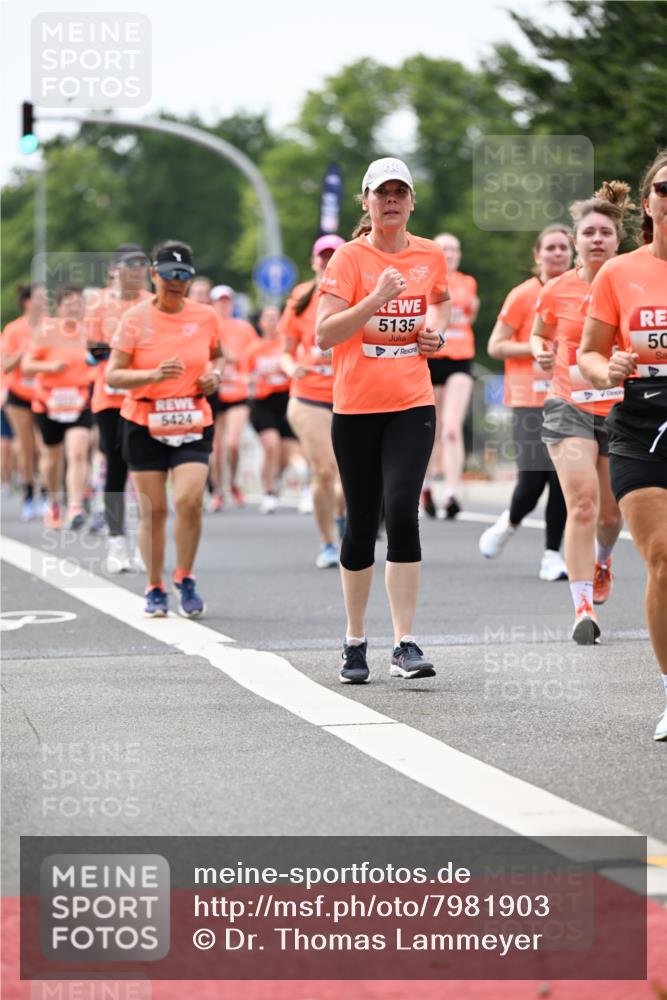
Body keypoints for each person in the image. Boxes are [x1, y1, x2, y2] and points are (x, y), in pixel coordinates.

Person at [316, 156, 450, 684]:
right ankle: (354, 641)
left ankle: (404, 642)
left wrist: (433, 335)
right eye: (382, 193)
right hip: (355, 408)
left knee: (402, 509)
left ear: (411, 201)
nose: (392, 200)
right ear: (366, 202)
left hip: (412, 403)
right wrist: (377, 298)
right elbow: (325, 335)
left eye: (401, 192)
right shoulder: (350, 258)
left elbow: (437, 308)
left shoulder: (430, 254)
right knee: (362, 521)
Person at [578, 149, 667, 741]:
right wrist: (606, 370)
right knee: (663, 556)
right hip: (640, 426)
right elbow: (587, 354)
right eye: (664, 189)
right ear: (648, 202)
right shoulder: (620, 272)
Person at [530, 183, 631, 644]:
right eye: (587, 232)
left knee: (611, 514)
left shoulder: (634, 282)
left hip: (623, 410)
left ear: (618, 239)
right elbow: (539, 332)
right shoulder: (556, 289)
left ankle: (604, 560)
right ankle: (582, 606)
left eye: (604, 232)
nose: (596, 239)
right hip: (568, 404)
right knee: (583, 502)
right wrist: (540, 353)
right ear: (575, 241)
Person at [106, 240, 223, 617]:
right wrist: (152, 375)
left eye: (184, 275)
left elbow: (217, 357)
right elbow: (114, 375)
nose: (176, 281)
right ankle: (154, 585)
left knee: (189, 500)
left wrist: (214, 377)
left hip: (192, 416)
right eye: (169, 274)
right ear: (154, 275)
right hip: (144, 420)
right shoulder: (135, 319)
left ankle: (184, 576)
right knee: (153, 511)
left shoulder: (204, 316)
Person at [479, 226, 572, 581]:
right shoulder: (523, 295)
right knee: (533, 481)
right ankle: (509, 522)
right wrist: (536, 349)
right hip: (529, 397)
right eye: (550, 248)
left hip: (568, 396)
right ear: (537, 255)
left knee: (563, 480)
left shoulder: (581, 293)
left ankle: (552, 555)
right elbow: (495, 346)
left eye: (564, 247)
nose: (557, 253)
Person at [280, 234, 346, 568]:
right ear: (313, 261)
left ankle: (344, 519)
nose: (327, 261)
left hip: (350, 395)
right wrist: (294, 369)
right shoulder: (301, 299)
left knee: (350, 476)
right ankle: (327, 543)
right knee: (324, 469)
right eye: (323, 256)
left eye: (334, 255)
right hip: (309, 397)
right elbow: (285, 353)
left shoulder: (357, 292)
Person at [86, 244, 152, 572]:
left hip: (142, 394)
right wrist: (120, 349)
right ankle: (116, 543)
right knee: (116, 466)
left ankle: (144, 544)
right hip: (109, 397)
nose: (138, 270)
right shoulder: (98, 303)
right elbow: (90, 350)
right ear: (115, 269)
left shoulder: (149, 302)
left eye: (142, 264)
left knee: (144, 467)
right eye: (131, 264)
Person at [23, 286, 94, 530]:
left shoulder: (90, 333)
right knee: (51, 458)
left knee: (77, 450)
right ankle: (53, 501)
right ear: (59, 308)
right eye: (69, 304)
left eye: (78, 304)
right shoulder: (45, 332)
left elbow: (102, 361)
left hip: (80, 400)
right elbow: (27, 365)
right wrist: (51, 367)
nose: (75, 309)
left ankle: (74, 506)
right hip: (48, 402)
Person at [422, 233, 479, 519]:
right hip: (431, 360)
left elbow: (471, 314)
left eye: (455, 249)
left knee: (452, 427)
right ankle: (427, 485)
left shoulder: (468, 283)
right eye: (445, 249)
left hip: (460, 359)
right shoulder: (424, 280)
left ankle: (452, 493)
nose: (451, 254)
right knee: (430, 429)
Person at [208, 285, 258, 511]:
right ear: (213, 304)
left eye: (227, 301)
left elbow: (257, 353)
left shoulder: (244, 328)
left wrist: (250, 374)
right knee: (215, 447)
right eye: (219, 301)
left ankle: (234, 482)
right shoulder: (206, 327)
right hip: (214, 390)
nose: (224, 305)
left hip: (237, 390)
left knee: (233, 444)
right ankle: (218, 490)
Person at [243, 304, 296, 514]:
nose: (273, 321)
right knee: (271, 445)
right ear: (261, 323)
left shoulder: (287, 344)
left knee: (285, 453)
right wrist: (254, 381)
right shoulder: (253, 349)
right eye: (268, 317)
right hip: (263, 402)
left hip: (286, 399)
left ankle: (276, 477)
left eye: (276, 317)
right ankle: (269, 492)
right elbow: (246, 377)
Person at [1, 284, 46, 519]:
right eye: (40, 297)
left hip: (46, 393)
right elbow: (6, 365)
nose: (45, 301)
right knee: (26, 447)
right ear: (27, 302)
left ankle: (48, 494)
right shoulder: (13, 329)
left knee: (45, 447)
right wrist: (25, 350)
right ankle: (29, 496)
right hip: (19, 394)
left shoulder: (53, 327)